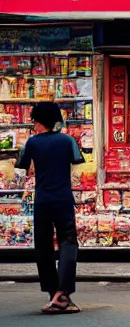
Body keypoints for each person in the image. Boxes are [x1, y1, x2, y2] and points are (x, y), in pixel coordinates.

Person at [15, 102, 85, 314]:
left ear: (37, 121)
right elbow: (79, 172)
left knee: (43, 247)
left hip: (42, 200)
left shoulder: (32, 143)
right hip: (63, 199)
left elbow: (20, 173)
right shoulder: (68, 140)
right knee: (68, 242)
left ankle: (52, 291)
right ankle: (62, 294)